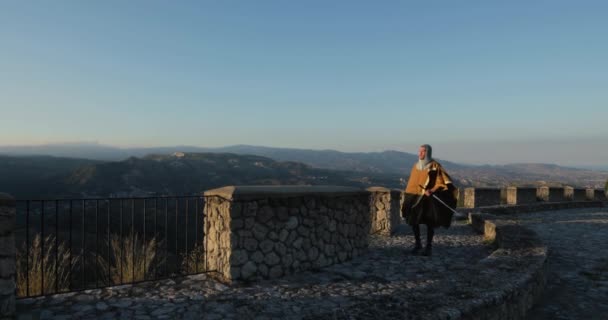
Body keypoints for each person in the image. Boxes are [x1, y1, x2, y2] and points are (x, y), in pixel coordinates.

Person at [401, 144, 457, 256]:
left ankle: (428, 247)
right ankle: (418, 245)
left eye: (423, 152)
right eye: (419, 151)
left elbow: (442, 181)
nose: (420, 154)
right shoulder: (415, 166)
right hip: (413, 196)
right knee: (413, 221)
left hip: (427, 198)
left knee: (429, 222)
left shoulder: (435, 166)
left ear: (428, 153)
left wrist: (432, 190)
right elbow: (412, 182)